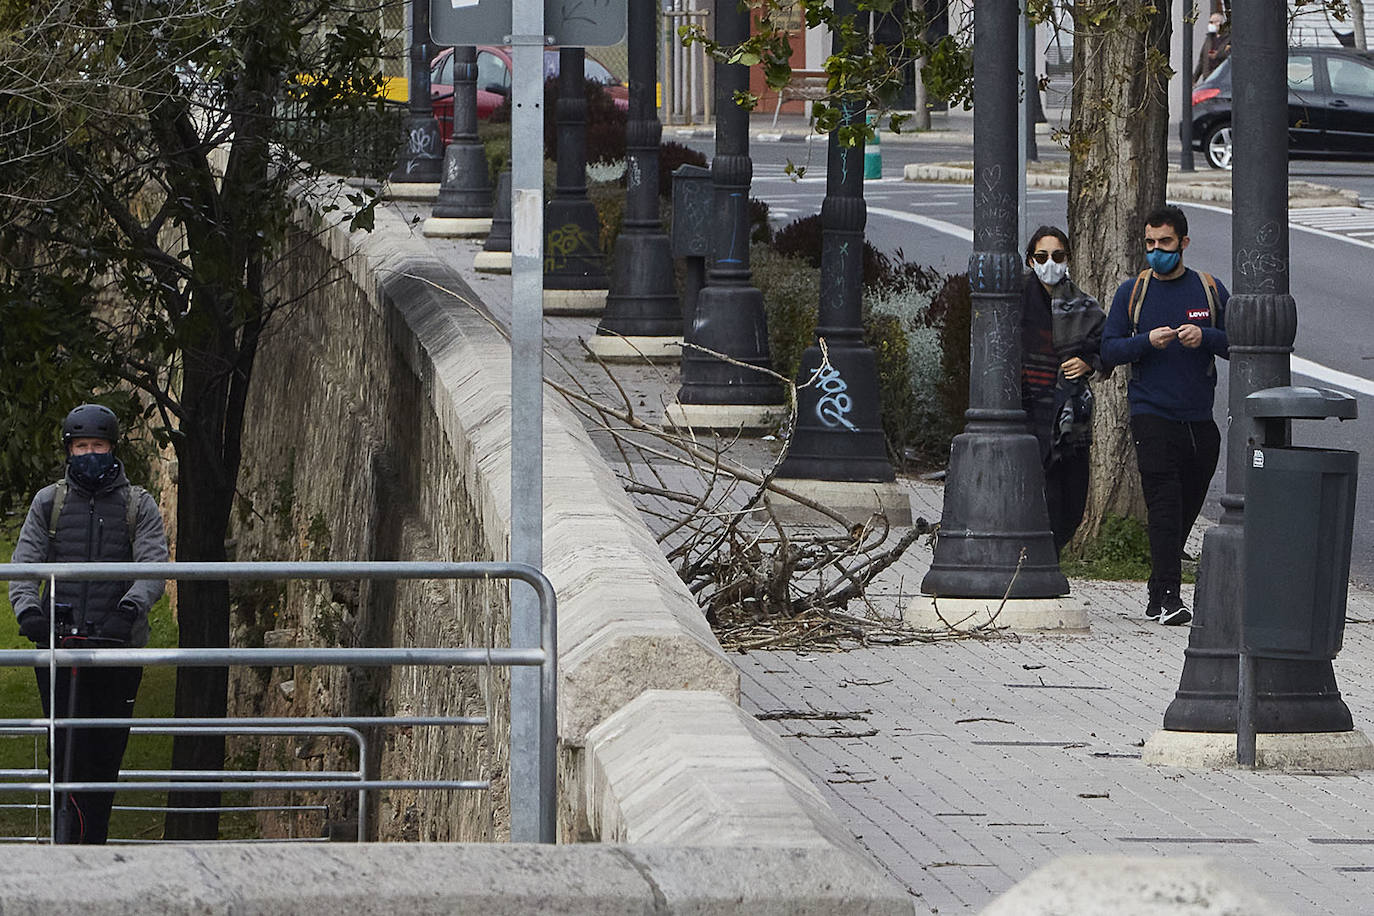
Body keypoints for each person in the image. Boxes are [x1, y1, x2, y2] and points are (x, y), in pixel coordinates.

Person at [8, 404, 168, 843]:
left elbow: (152, 565)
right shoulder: (49, 503)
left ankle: (93, 844)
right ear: (70, 450)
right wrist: (30, 614)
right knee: (64, 754)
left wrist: (129, 610)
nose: (90, 453)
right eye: (82, 446)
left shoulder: (139, 505)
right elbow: (24, 565)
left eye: (98, 446)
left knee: (103, 755)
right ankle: (64, 843)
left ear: (113, 449)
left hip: (116, 647)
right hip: (59, 646)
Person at [1100, 206, 1229, 626]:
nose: (1156, 251)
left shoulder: (1208, 289)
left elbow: (1241, 344)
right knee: (1164, 505)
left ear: (1184, 244)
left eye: (1165, 243)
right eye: (1150, 244)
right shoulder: (1132, 293)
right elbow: (1109, 349)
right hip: (1150, 414)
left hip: (1199, 419)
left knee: (1187, 505)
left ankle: (1158, 592)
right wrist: (1144, 342)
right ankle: (1170, 597)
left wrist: (1205, 336)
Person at [1021, 226, 1105, 555]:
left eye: (1057, 256)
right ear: (1030, 260)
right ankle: (1041, 565)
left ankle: (1049, 558)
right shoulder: (1015, 301)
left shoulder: (1083, 305)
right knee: (1045, 501)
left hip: (1070, 420)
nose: (1050, 263)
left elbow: (1106, 344)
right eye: (1042, 257)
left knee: (1072, 503)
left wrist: (1089, 362)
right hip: (1028, 413)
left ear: (1067, 259)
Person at [1194, 11, 1231, 84]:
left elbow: (1230, 55)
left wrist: (1217, 55)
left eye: (1212, 22)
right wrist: (1195, 78)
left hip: (1223, 80)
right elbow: (1202, 60)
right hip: (1208, 79)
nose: (1210, 25)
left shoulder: (1229, 39)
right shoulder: (1209, 39)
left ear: (1219, 23)